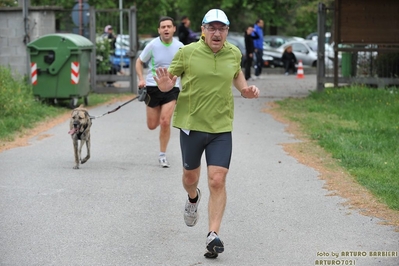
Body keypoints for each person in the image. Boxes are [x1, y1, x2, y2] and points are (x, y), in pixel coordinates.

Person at [153, 9, 259, 259]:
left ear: (227, 32)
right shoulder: (187, 52)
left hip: (221, 128)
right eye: (211, 27)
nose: (217, 32)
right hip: (192, 126)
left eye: (221, 28)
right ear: (202, 30)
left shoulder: (234, 53)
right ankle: (192, 199)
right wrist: (165, 86)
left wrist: (245, 90)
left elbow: (237, 74)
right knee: (191, 178)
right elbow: (170, 78)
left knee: (217, 180)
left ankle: (213, 235)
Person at [135, 16, 183, 168]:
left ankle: (162, 155)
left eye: (169, 26)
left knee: (165, 121)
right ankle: (161, 146)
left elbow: (187, 67)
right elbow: (139, 61)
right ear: (159, 30)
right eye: (163, 27)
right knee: (152, 125)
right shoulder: (152, 45)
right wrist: (141, 79)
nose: (166, 29)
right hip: (152, 86)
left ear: (174, 29)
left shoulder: (181, 47)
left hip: (172, 87)